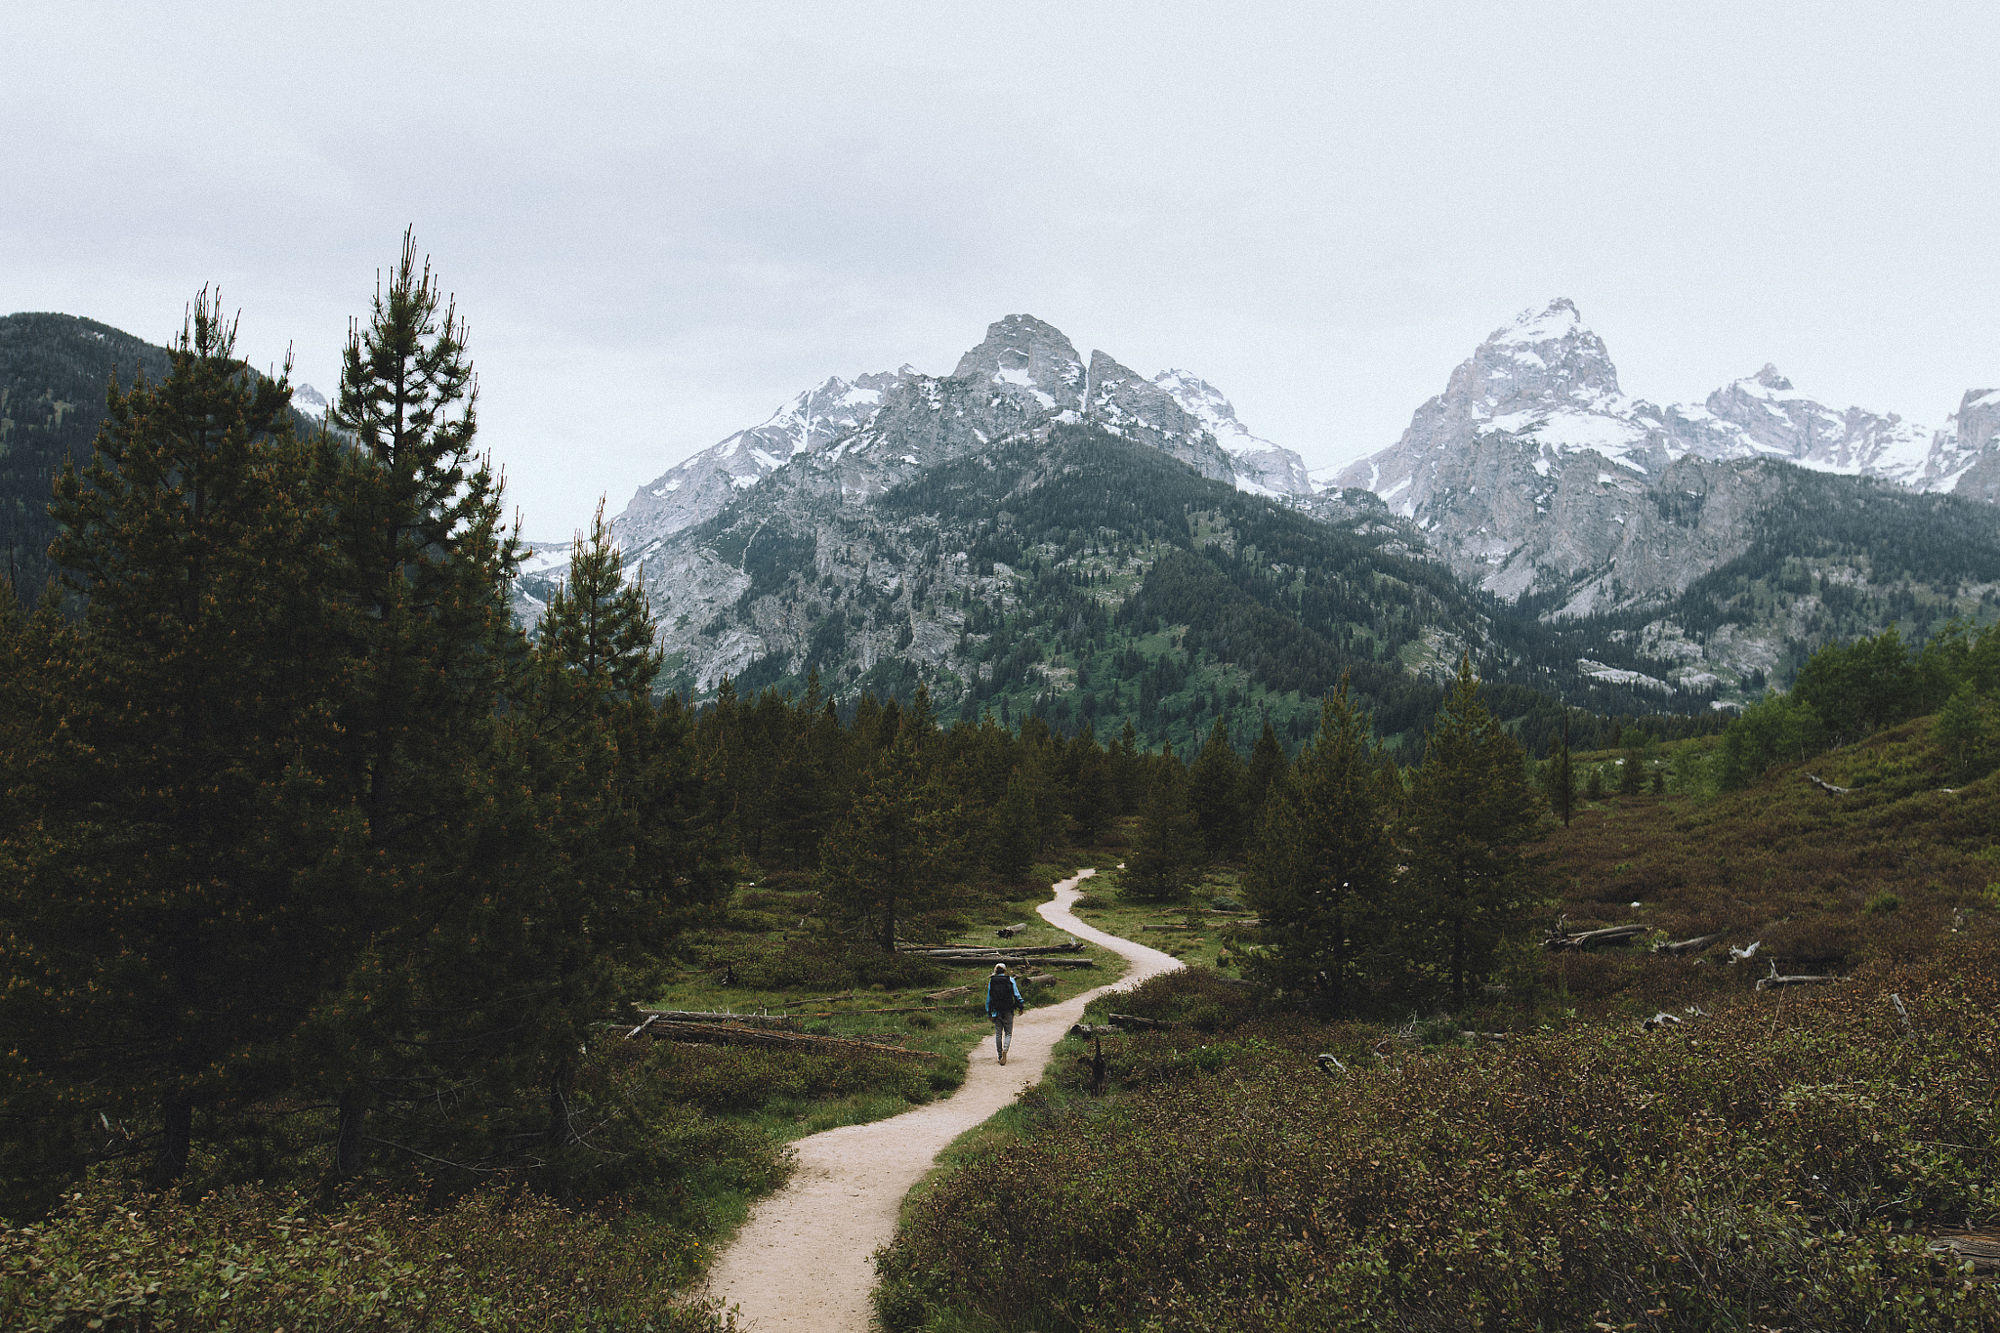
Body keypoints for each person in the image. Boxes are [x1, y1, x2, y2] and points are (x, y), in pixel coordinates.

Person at [986, 963, 1026, 1065]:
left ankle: (1000, 1055)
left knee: (998, 1034)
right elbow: (1016, 995)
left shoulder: (992, 981)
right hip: (1008, 1010)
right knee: (1008, 1033)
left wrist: (989, 1012)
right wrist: (1021, 1006)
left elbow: (989, 998)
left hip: (996, 1010)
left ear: (995, 970)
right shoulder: (1010, 980)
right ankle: (1005, 1049)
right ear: (1005, 971)